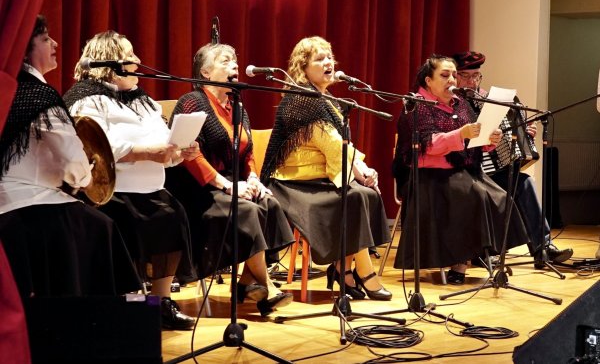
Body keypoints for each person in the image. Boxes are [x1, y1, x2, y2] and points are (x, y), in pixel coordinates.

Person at [63, 30, 199, 330]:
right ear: (110, 61)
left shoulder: (143, 100)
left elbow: (164, 142)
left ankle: (161, 303)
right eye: (129, 54)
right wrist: (144, 152)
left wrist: (179, 152)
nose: (137, 60)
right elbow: (94, 145)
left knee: (173, 217)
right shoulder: (86, 100)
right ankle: (131, 307)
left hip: (151, 187)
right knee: (128, 234)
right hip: (112, 192)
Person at [0, 16, 140, 299]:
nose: (55, 44)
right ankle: (94, 316)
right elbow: (72, 159)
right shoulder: (40, 96)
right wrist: (85, 179)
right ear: (25, 50)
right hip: (34, 204)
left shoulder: (8, 90)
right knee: (103, 226)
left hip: (7, 206)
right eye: (45, 39)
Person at [164, 42, 294, 317]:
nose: (234, 65)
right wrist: (227, 185)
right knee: (246, 210)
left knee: (269, 204)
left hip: (233, 182)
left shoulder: (237, 106)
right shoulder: (192, 102)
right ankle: (268, 286)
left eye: (235, 60)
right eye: (225, 61)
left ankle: (245, 283)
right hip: (198, 190)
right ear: (205, 72)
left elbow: (247, 151)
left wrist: (254, 178)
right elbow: (190, 157)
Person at [260, 36, 392, 301]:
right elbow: (332, 146)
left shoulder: (326, 98)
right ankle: (362, 272)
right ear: (303, 67)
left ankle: (344, 269)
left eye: (329, 57)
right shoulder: (304, 99)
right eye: (319, 59)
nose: (328, 62)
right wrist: (361, 173)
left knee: (362, 194)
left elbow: (342, 144)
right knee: (355, 196)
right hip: (292, 182)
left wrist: (364, 169)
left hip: (317, 177)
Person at [392, 55, 528, 284]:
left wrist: (489, 139)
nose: (452, 80)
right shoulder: (417, 105)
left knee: (500, 198)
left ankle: (482, 253)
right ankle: (460, 264)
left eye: (454, 75)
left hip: (463, 170)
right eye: (445, 75)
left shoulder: (460, 103)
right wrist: (461, 134)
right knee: (474, 196)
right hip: (429, 175)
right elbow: (428, 145)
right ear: (428, 81)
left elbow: (474, 139)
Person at [452, 51, 573, 268]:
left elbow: (511, 131)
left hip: (492, 168)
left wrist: (524, 133)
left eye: (476, 76)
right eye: (465, 76)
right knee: (491, 190)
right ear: (455, 76)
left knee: (524, 182)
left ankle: (543, 249)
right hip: (463, 170)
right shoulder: (451, 103)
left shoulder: (491, 100)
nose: (472, 82)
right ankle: (483, 251)